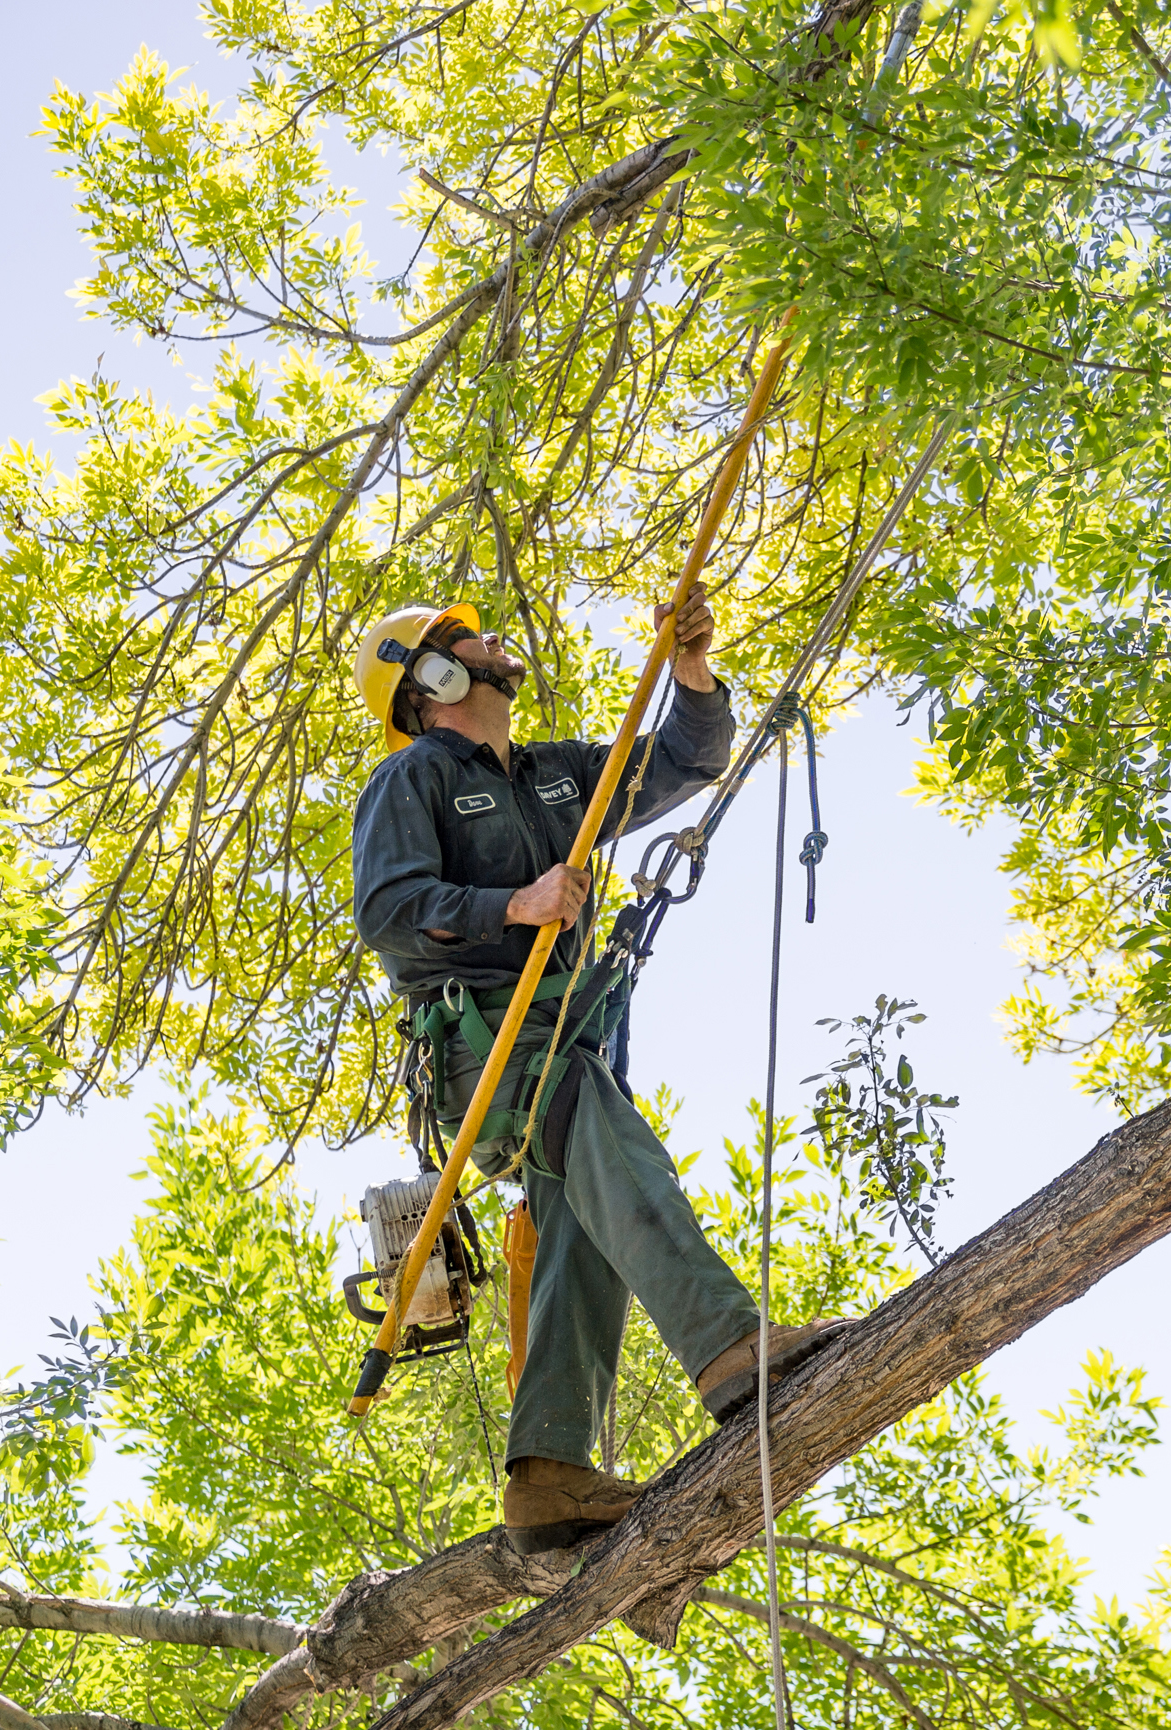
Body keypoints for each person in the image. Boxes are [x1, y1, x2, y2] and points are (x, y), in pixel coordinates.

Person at [349, 594, 851, 1554]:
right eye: (470, 639)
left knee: (581, 1216)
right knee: (615, 1149)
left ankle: (545, 1472)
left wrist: (691, 673)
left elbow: (684, 762)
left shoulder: (554, 778)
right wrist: (517, 902)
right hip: (480, 1045)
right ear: (436, 677)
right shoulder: (410, 781)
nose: (497, 642)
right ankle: (730, 1347)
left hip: (562, 1032)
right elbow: (391, 910)